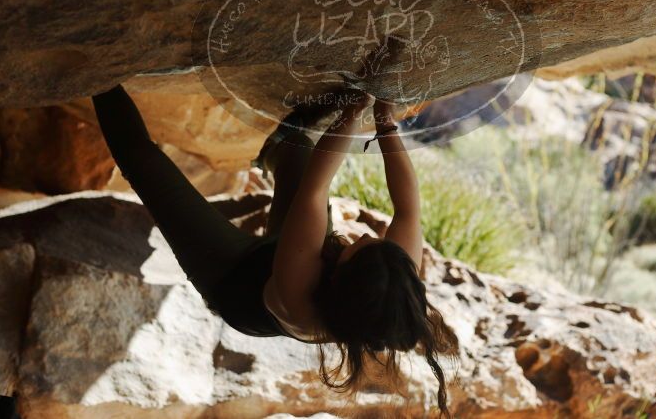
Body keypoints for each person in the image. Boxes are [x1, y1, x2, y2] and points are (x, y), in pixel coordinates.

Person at [92, 84, 460, 417]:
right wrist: (385, 122)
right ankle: (280, 149)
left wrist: (352, 111)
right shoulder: (394, 282)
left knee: (141, 160)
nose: (363, 237)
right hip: (297, 256)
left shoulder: (299, 296)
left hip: (232, 277)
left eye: (359, 248)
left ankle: (101, 78)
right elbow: (408, 208)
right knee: (295, 145)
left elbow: (316, 189)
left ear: (342, 277)